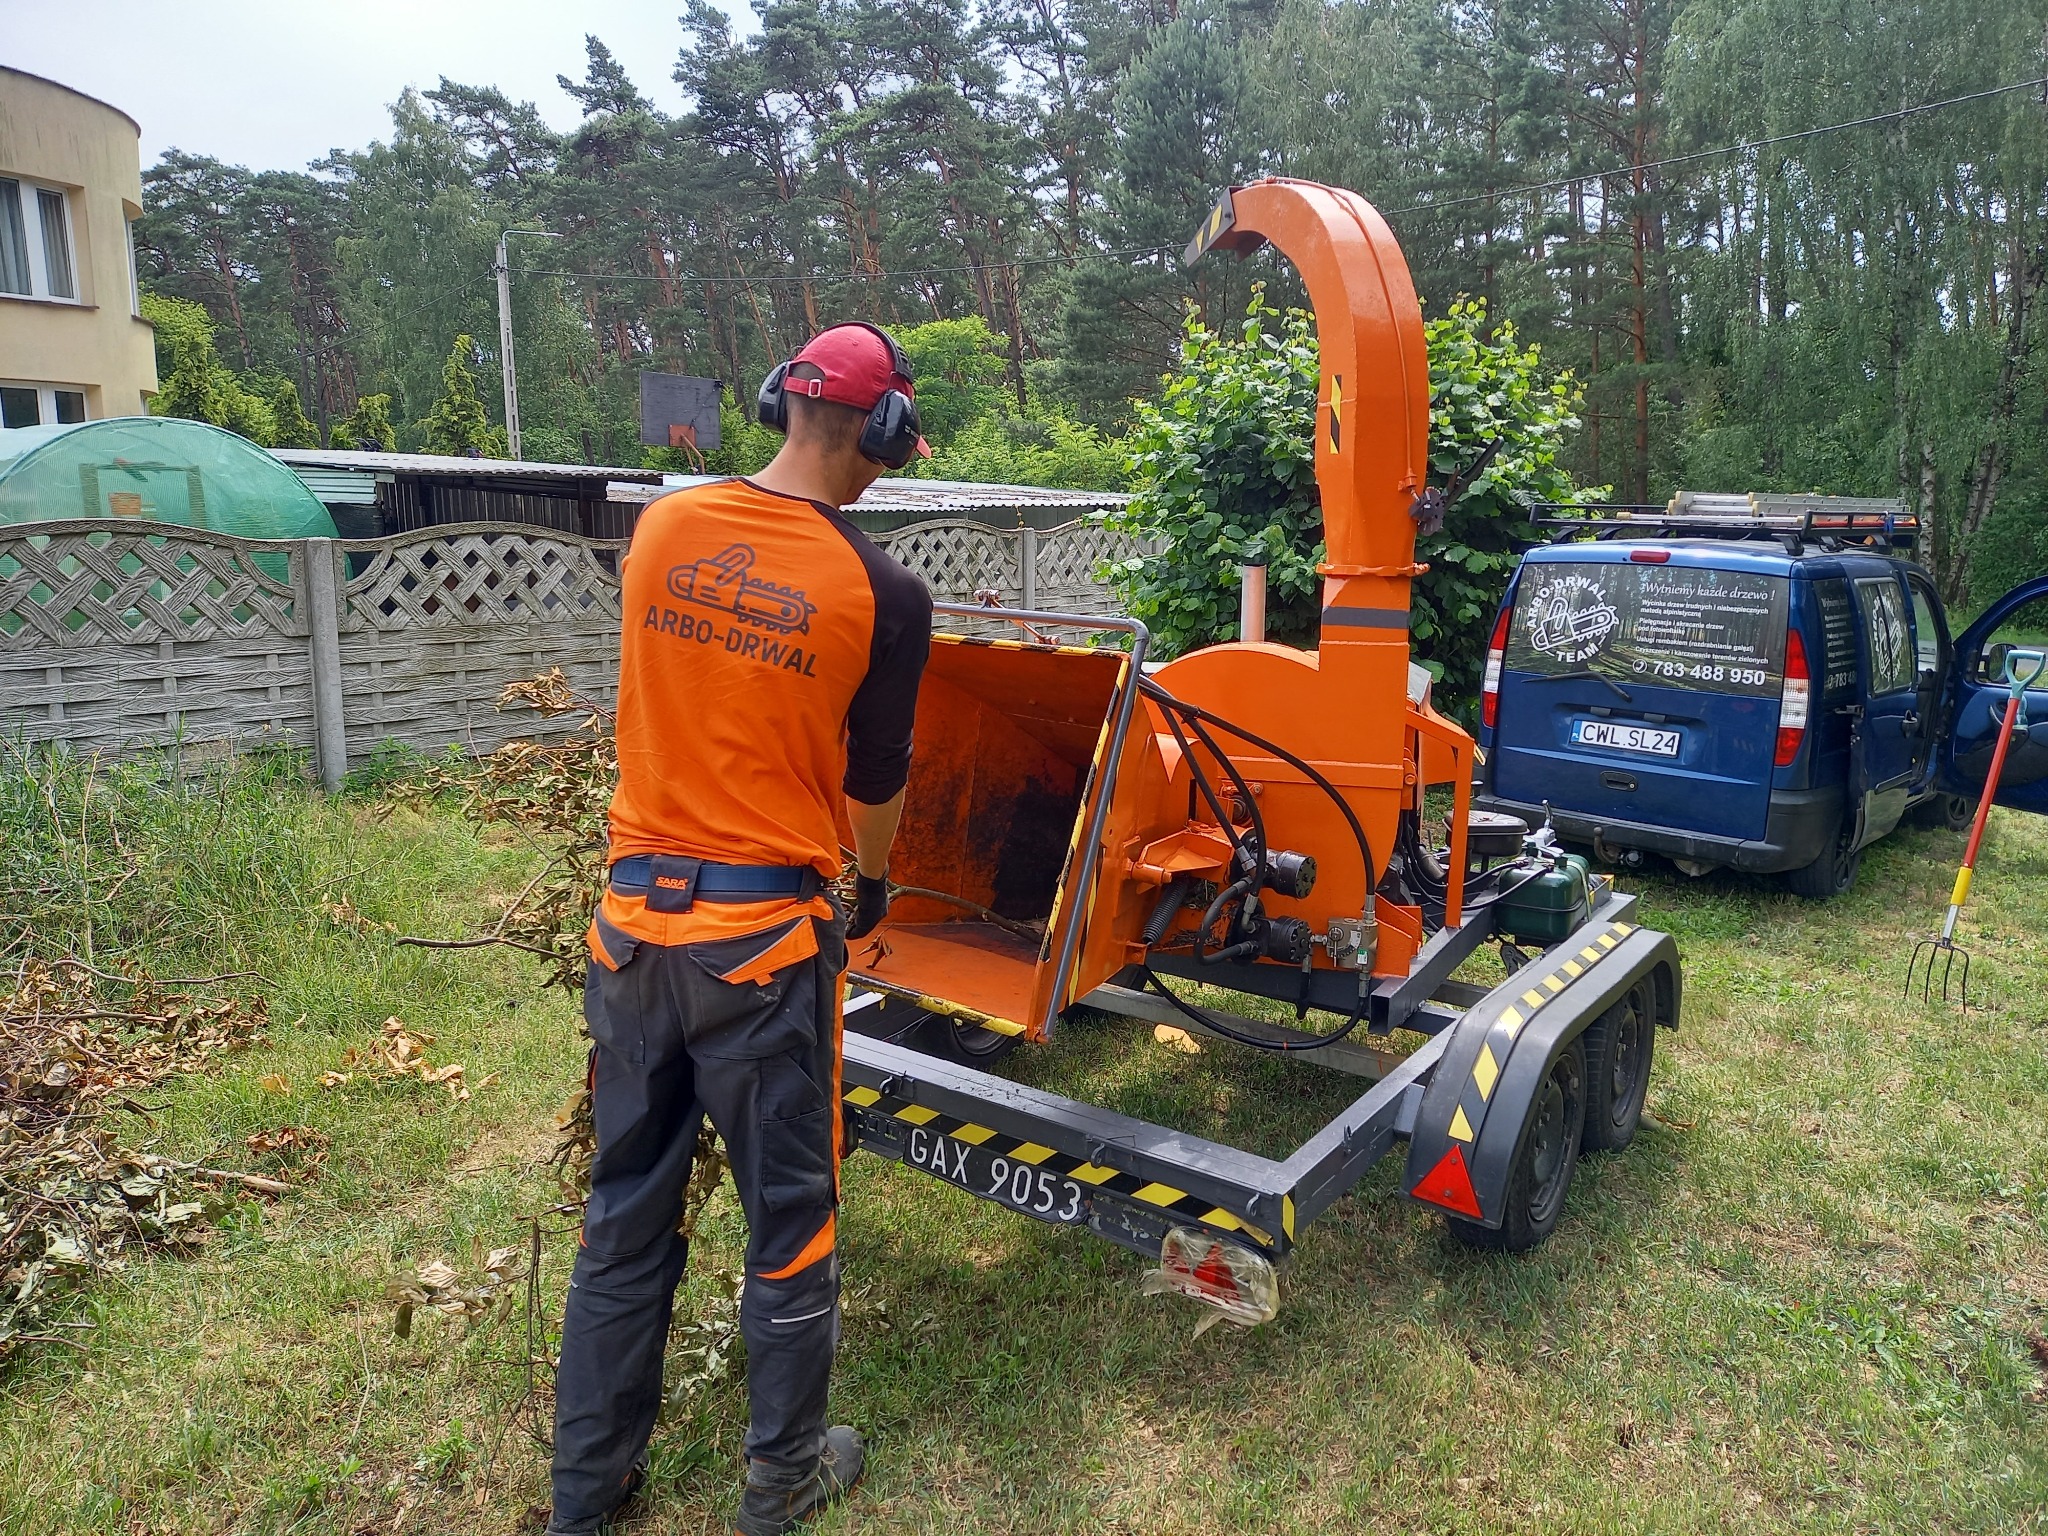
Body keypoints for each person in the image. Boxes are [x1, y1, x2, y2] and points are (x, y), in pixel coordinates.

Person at [547, 323, 934, 1536]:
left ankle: (587, 1499)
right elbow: (875, 787)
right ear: (875, 434)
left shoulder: (658, 529)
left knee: (622, 1221)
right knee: (790, 1222)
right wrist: (868, 889)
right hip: (759, 953)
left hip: (628, 934)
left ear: (779, 404)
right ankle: (780, 1487)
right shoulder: (882, 592)